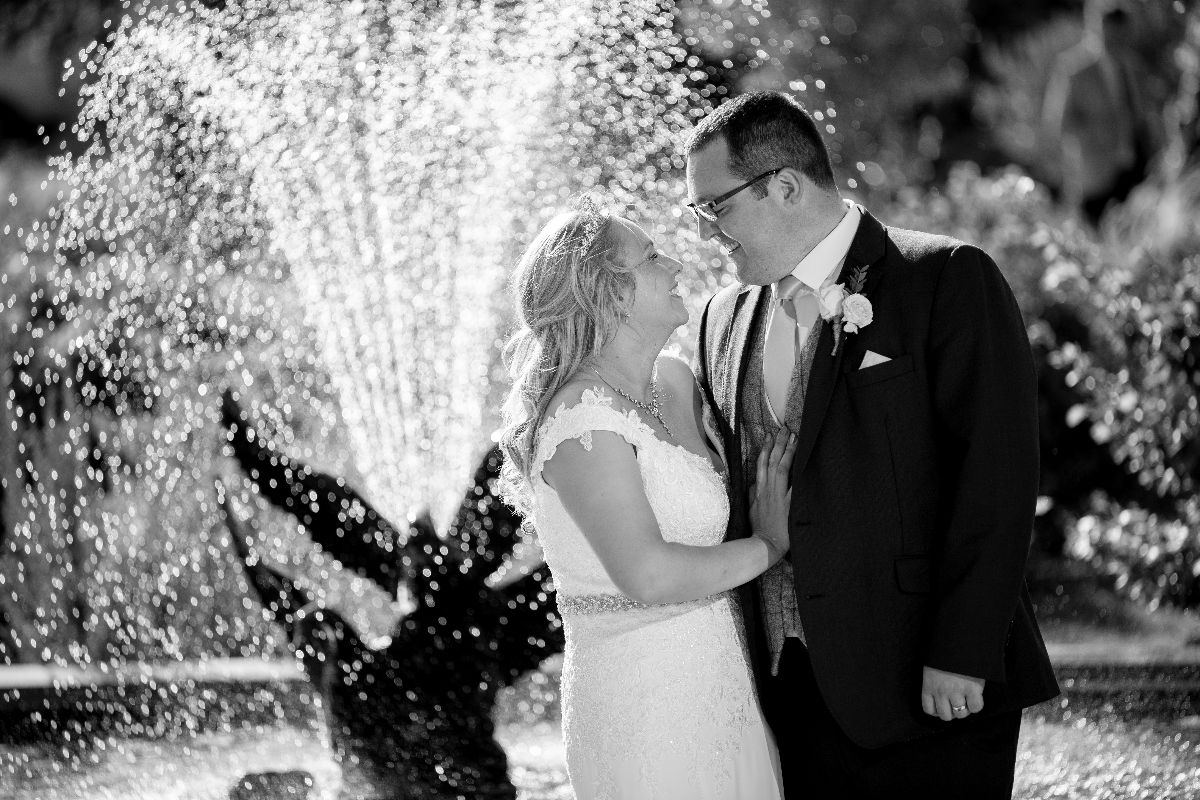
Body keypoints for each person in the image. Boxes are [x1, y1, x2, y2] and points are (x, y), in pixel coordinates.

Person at [685, 90, 1061, 799]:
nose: (707, 233)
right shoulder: (719, 318)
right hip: (787, 690)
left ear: (784, 186)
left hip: (929, 682)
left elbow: (996, 477)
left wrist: (963, 651)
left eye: (715, 207)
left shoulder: (944, 277)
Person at [497, 197, 790, 799]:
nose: (675, 265)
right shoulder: (580, 423)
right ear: (611, 294)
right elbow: (648, 574)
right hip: (644, 704)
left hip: (724, 680)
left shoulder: (676, 382)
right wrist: (770, 544)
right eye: (652, 257)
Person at [1043, 0, 1159, 223]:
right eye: (1108, 30)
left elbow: (1142, 113)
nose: (1113, 37)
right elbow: (1060, 122)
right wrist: (1099, 139)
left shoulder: (1132, 64)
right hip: (1096, 173)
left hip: (1136, 168)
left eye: (1119, 31)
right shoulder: (1073, 68)